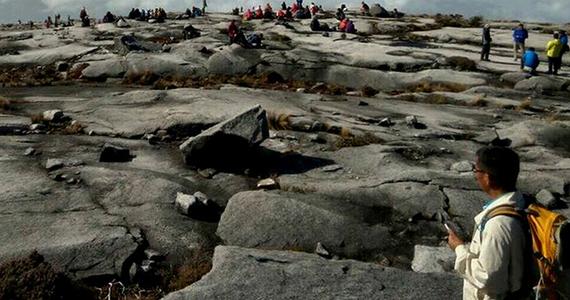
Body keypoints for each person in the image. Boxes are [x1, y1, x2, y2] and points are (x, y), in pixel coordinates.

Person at [448, 146, 529, 300]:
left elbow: (489, 279)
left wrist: (459, 249)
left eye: (476, 170)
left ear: (487, 177)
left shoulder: (497, 225)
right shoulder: (521, 203)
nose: (475, 175)